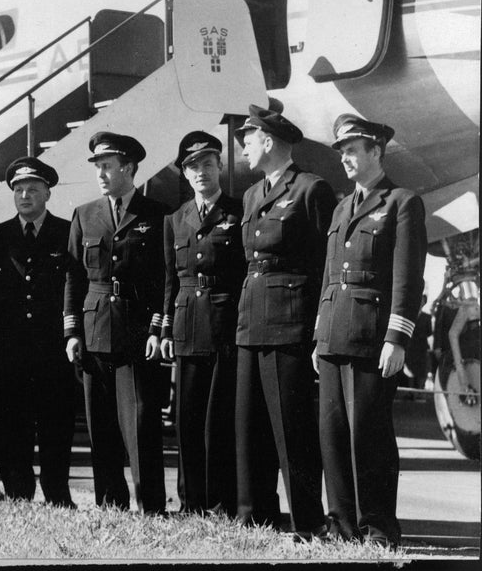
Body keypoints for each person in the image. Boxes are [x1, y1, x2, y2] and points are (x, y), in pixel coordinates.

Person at [312, 114, 427, 548]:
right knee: (334, 433)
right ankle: (340, 525)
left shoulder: (401, 201)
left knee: (369, 435)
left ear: (376, 151)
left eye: (352, 150)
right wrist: (319, 336)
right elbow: (329, 275)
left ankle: (378, 529)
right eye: (341, 151)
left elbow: (407, 278)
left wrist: (397, 338)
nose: (345, 158)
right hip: (334, 335)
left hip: (372, 337)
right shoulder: (343, 207)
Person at [233, 104, 336, 539]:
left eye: (248, 139)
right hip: (251, 320)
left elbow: (324, 266)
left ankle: (307, 523)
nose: (243, 148)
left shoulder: (311, 189)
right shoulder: (252, 195)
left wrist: (316, 328)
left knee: (291, 431)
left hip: (289, 323)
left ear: (268, 141)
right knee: (249, 424)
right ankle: (255, 516)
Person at [64, 131, 168, 514]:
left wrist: (158, 326)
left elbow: (163, 277)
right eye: (98, 167)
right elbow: (74, 277)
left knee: (140, 423)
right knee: (100, 425)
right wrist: (72, 331)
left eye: (107, 166)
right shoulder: (85, 214)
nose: (101, 174)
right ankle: (110, 503)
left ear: (128, 168)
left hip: (137, 332)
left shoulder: (157, 214)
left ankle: (151, 506)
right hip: (94, 331)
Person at [156, 132, 245, 515]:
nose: (201, 172)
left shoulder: (238, 213)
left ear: (220, 167)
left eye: (208, 163)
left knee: (221, 418)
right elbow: (168, 280)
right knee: (187, 420)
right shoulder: (175, 219)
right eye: (193, 166)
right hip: (187, 325)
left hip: (225, 323)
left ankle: (222, 500)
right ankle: (191, 502)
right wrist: (163, 329)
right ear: (185, 174)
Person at [0, 156, 76, 507]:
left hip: (51, 346)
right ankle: (17, 492)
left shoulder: (67, 232)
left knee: (56, 422)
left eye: (33, 189)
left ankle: (57, 493)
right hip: (10, 346)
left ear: (47, 194)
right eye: (19, 189)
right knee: (12, 423)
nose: (25, 195)